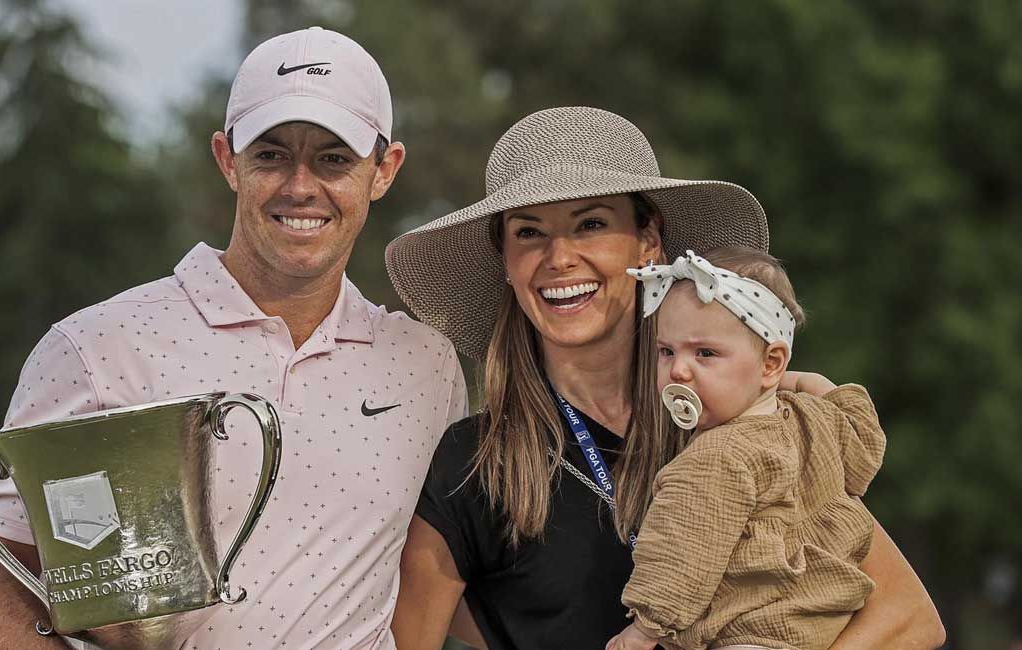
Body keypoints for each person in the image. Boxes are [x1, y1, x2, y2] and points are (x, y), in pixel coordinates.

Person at [0, 27, 467, 650]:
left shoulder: (425, 365)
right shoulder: (96, 346)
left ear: (384, 170)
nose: (301, 186)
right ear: (227, 160)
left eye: (334, 158)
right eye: (271, 155)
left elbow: (433, 579)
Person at [384, 107, 945, 650]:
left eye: (592, 224)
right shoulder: (471, 464)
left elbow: (910, 620)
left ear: (649, 241)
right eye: (529, 233)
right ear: (506, 261)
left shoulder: (747, 418)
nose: (559, 258)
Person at [607, 248, 887, 650]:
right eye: (667, 351)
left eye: (705, 353)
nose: (678, 370)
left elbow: (682, 549)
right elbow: (865, 451)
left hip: (748, 635)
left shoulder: (715, 455)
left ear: (772, 363)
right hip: (822, 628)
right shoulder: (814, 420)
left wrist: (645, 628)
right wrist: (806, 381)